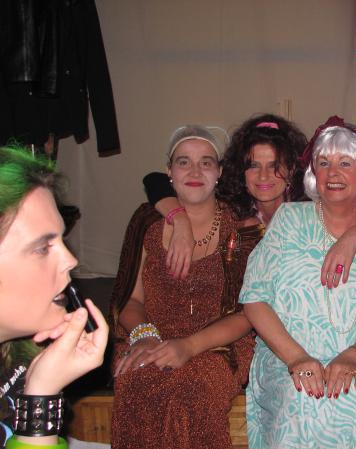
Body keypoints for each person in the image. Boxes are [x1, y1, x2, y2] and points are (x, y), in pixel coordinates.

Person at [238, 116, 356, 449]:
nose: (333, 173)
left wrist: (352, 357)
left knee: (349, 394)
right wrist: (297, 358)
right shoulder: (289, 219)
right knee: (301, 395)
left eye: (345, 163)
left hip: (355, 360)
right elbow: (254, 298)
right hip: (285, 357)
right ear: (313, 173)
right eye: (324, 162)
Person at [110, 125, 263, 449]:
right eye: (184, 162)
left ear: (220, 172)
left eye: (206, 162)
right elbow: (130, 300)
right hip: (150, 335)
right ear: (169, 171)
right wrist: (145, 336)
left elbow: (247, 314)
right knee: (135, 381)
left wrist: (189, 347)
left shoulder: (240, 228)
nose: (195, 171)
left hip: (218, 345)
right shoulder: (146, 223)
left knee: (190, 392)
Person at [142, 113, 356, 284]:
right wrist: (180, 221)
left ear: (293, 168)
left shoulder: (311, 208)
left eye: (275, 166)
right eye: (253, 165)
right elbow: (154, 180)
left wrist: (352, 237)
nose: (263, 176)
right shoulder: (232, 207)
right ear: (240, 170)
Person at [0, 145, 108, 449]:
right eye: (42, 248)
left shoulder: (21, 351)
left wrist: (42, 385)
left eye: (62, 239)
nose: (70, 260)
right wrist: (41, 400)